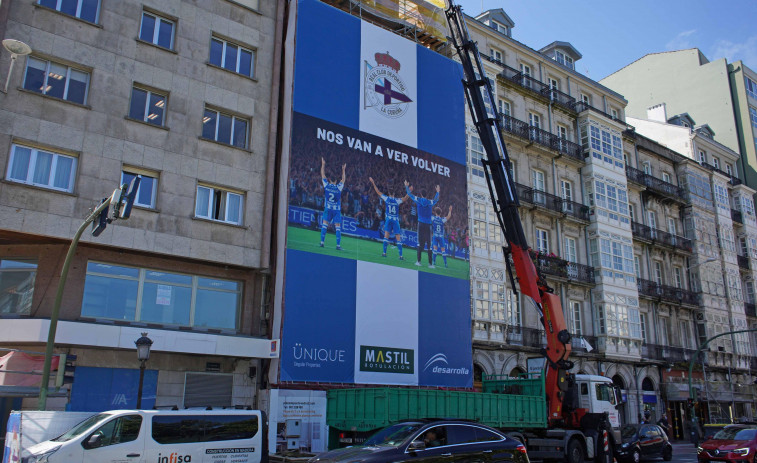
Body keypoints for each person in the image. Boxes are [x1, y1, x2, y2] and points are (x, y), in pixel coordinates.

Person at [369, 177, 408, 260]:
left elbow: (378, 192)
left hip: (388, 220)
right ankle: (400, 256)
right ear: (394, 193)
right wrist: (409, 191)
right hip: (395, 220)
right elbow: (405, 198)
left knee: (386, 237)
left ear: (389, 193)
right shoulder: (397, 200)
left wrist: (373, 183)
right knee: (398, 238)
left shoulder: (386, 198)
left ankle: (384, 253)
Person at [404, 180, 439, 268]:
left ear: (421, 194)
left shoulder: (418, 199)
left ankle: (419, 262)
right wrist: (437, 192)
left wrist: (406, 187)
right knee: (429, 244)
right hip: (428, 225)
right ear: (427, 195)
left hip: (420, 224)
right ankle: (430, 264)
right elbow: (436, 200)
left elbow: (410, 195)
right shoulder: (430, 202)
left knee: (420, 243)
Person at [319, 158, 346, 250]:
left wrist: (323, 164)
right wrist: (343, 170)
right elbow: (343, 179)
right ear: (336, 181)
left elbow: (322, 174)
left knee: (324, 225)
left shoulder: (326, 185)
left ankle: (322, 243)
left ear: (329, 179)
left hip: (328, 208)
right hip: (336, 210)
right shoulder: (339, 187)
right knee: (338, 228)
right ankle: (338, 246)